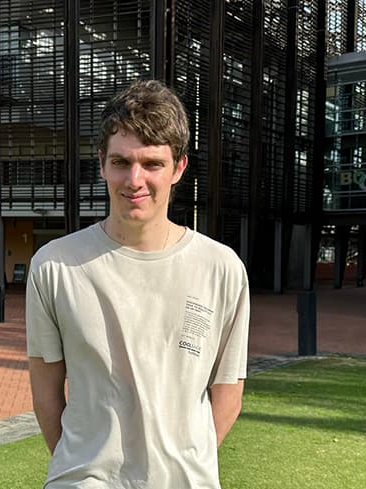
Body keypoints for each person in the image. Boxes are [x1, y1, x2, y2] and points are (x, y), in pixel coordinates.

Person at [26, 80, 250, 488]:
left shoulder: (222, 270)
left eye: (152, 164)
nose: (134, 180)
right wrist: (85, 469)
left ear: (179, 167)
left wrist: (183, 467)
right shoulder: (55, 266)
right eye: (120, 162)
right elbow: (45, 394)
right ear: (101, 163)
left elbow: (227, 395)